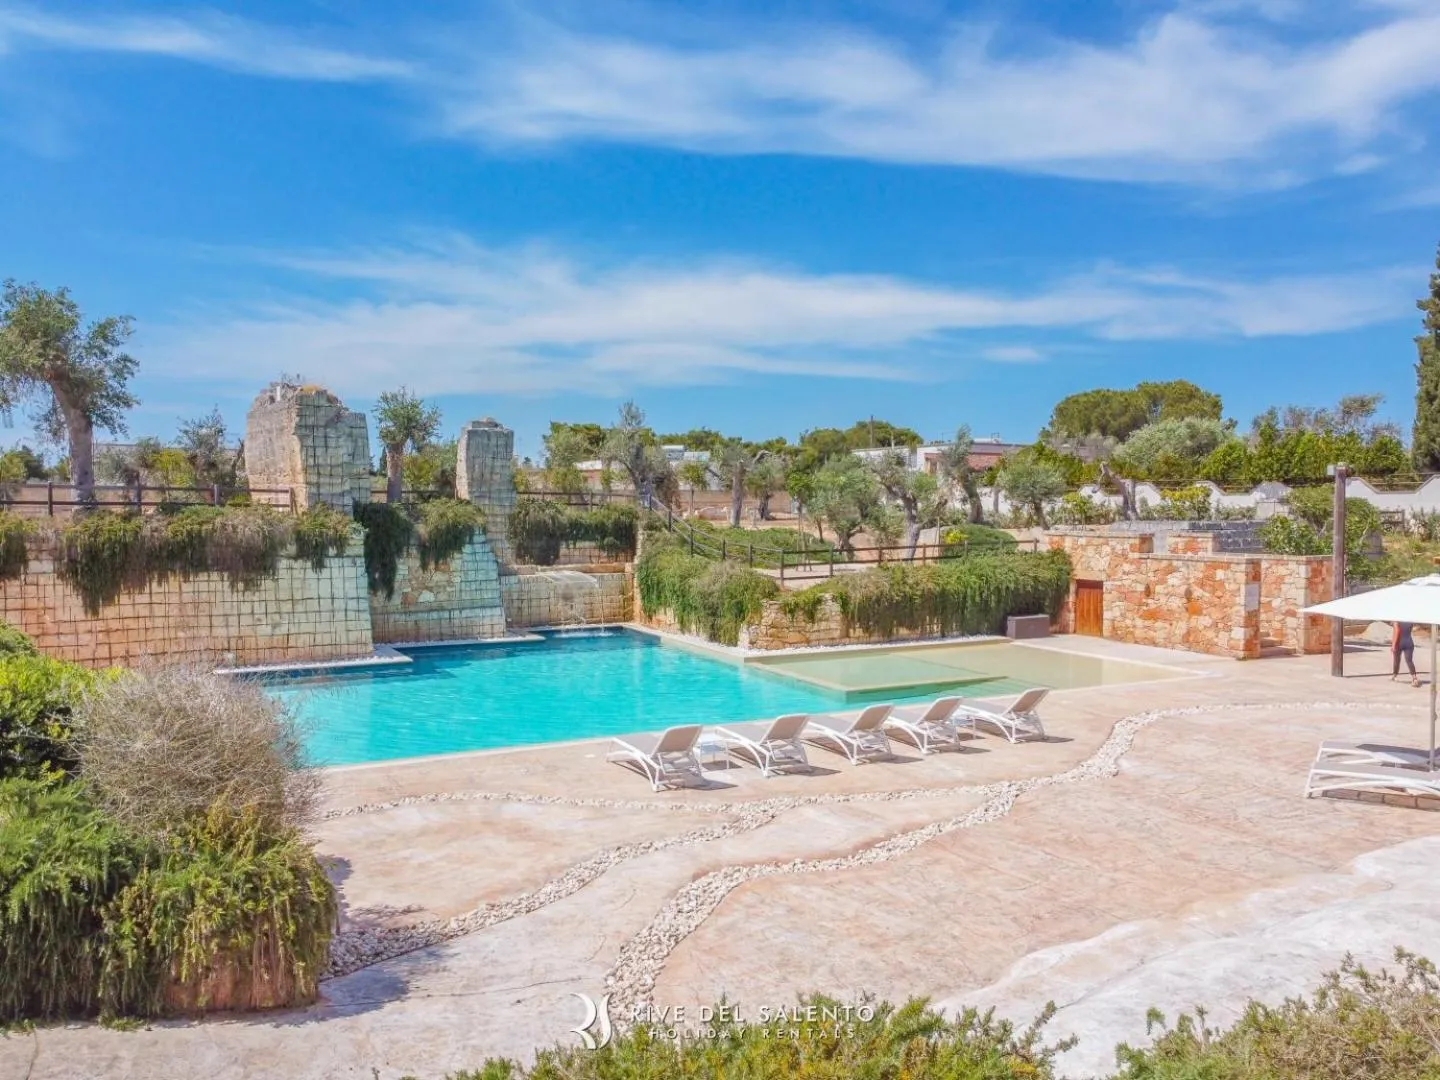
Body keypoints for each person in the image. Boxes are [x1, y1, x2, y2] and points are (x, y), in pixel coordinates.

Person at [1392, 621, 1420, 687]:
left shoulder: (1396, 620)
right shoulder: (1410, 620)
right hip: (1409, 642)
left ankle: (1394, 675)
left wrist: (1393, 645)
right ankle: (1414, 678)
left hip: (1399, 643)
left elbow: (1397, 631)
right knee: (1409, 661)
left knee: (1396, 660)